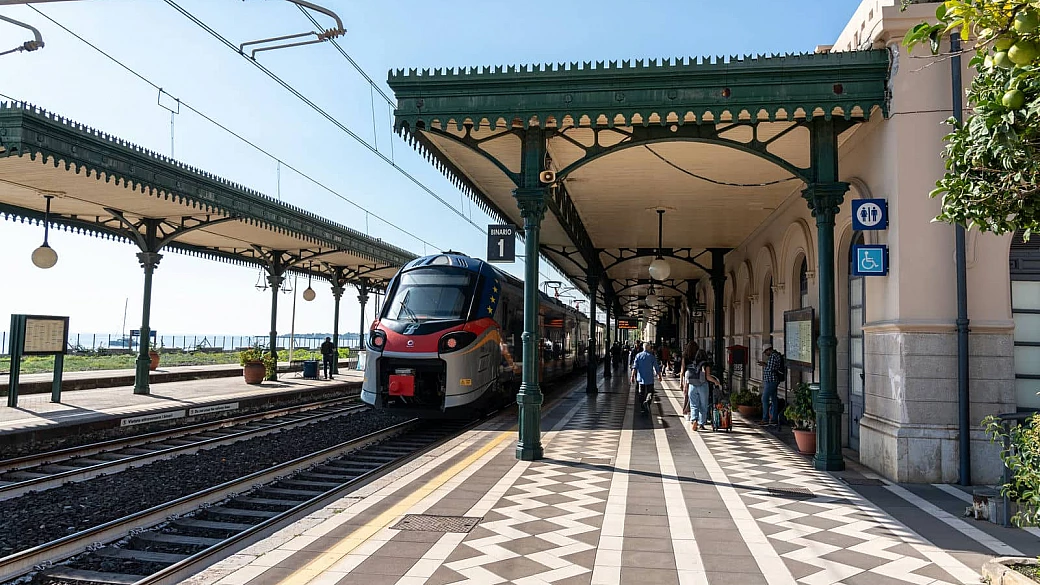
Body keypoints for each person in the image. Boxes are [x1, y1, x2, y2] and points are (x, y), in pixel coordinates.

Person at [685, 348, 721, 431]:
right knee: (703, 405)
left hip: (692, 385)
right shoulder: (705, 364)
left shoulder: (693, 363)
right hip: (702, 385)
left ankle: (694, 420)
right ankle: (701, 423)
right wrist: (716, 382)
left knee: (693, 405)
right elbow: (708, 377)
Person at [630, 342, 662, 414]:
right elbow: (656, 367)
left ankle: (642, 407)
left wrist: (632, 376)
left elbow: (635, 367)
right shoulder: (651, 357)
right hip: (649, 378)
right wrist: (659, 375)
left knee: (641, 393)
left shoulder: (638, 356)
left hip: (641, 378)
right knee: (650, 392)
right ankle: (647, 401)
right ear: (649, 348)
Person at [758, 345, 784, 426]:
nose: (765, 354)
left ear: (769, 350)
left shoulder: (773, 356)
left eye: (765, 352)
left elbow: (771, 369)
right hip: (772, 380)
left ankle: (765, 419)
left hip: (771, 380)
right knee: (774, 399)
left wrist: (764, 365)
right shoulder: (774, 356)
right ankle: (773, 419)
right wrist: (765, 364)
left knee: (764, 398)